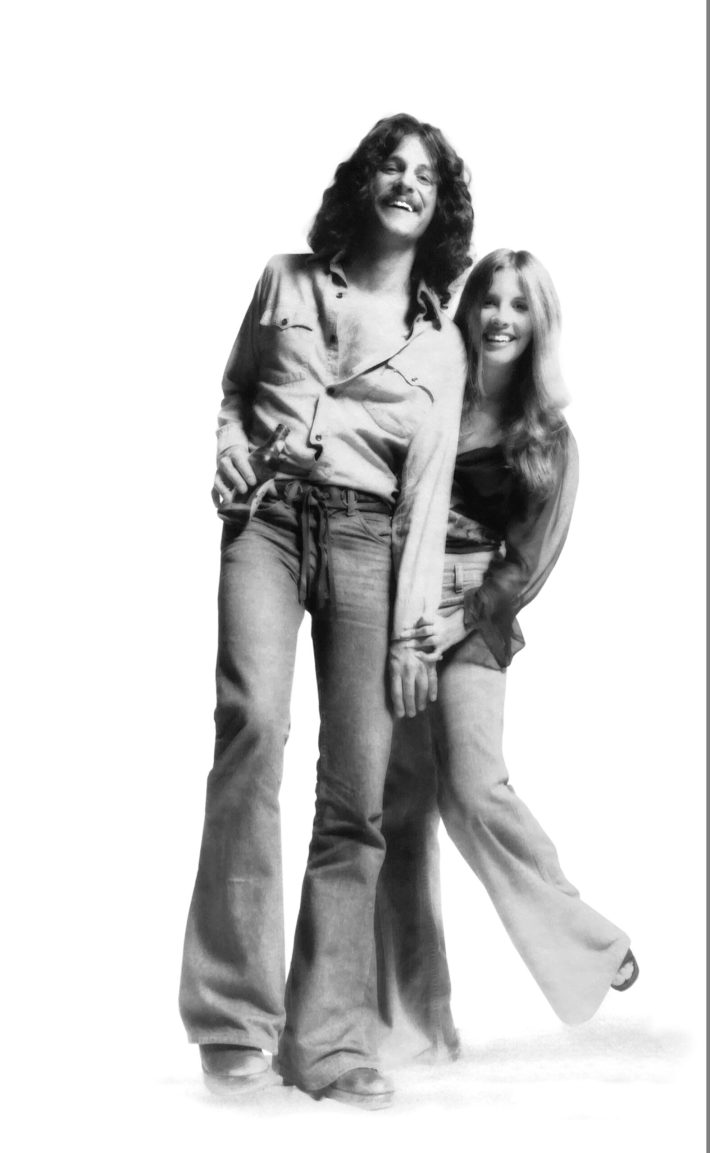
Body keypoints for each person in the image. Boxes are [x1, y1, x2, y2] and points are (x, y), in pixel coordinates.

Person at [179, 114, 474, 1109]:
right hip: (265, 520)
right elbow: (234, 391)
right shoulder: (285, 279)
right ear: (363, 180)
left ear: (439, 207)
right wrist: (225, 447)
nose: (405, 181)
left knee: (356, 789)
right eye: (390, 164)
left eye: (424, 175)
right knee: (251, 729)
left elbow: (428, 498)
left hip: (367, 541)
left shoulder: (441, 348)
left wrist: (413, 634)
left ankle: (330, 1040)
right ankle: (233, 1022)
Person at [374, 249, 638, 1060]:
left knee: (475, 789)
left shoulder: (549, 439)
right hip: (397, 602)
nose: (500, 317)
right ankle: (416, 1026)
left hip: (472, 613)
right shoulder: (432, 396)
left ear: (537, 323)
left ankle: (590, 942)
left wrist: (455, 620)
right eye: (490, 299)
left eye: (519, 305)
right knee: (399, 810)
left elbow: (525, 564)